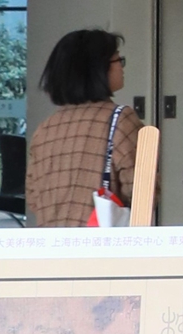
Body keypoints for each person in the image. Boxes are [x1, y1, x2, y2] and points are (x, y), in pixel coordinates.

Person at [26, 29, 142, 226]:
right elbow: (140, 190)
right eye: (118, 60)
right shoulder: (120, 119)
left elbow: (33, 197)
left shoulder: (45, 128)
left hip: (51, 240)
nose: (122, 68)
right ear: (97, 68)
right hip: (100, 240)